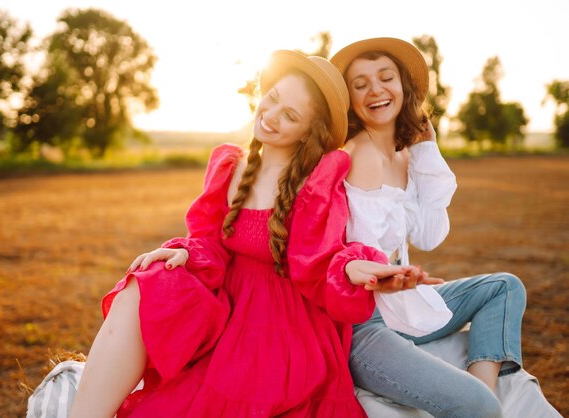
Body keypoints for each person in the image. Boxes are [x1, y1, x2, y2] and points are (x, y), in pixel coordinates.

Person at [67, 50, 422, 418]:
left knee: (221, 398)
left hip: (281, 322)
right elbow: (209, 242)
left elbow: (319, 259)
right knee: (144, 283)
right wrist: (187, 254)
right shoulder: (230, 167)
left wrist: (352, 269)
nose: (271, 116)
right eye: (273, 100)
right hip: (226, 303)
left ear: (308, 133)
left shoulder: (314, 181)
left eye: (290, 116)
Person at [329, 37, 561, 418]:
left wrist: (426, 150)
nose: (376, 90)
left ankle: (481, 388)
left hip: (402, 304)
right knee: (478, 406)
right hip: (365, 323)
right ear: (350, 99)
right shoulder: (361, 154)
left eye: (385, 77)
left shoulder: (403, 153)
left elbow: (429, 236)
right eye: (360, 84)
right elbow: (365, 258)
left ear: (403, 86)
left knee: (503, 287)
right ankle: (480, 401)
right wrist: (395, 276)